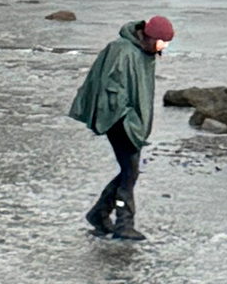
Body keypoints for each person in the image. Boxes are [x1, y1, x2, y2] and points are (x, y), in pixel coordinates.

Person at [70, 13, 174, 237]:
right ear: (147, 36)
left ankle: (100, 213)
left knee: (129, 170)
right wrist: (126, 119)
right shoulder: (122, 51)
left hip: (129, 120)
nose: (162, 48)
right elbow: (112, 90)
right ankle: (123, 223)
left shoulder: (145, 53)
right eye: (160, 43)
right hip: (118, 119)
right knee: (130, 170)